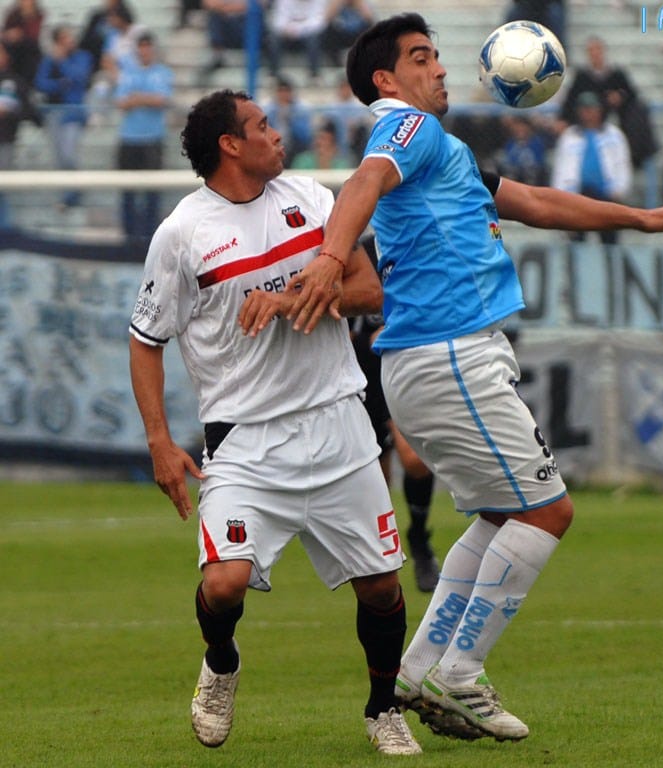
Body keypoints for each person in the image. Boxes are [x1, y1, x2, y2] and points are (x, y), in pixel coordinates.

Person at [274, 12, 663, 743]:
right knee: (548, 513)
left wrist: (641, 217)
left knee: (505, 516)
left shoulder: (439, 153)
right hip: (449, 353)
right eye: (421, 57)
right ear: (386, 81)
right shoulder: (405, 129)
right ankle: (460, 674)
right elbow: (366, 180)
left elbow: (534, 202)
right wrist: (329, 257)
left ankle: (417, 670)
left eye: (437, 55)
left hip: (431, 358)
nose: (441, 68)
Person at [127, 89, 421, 756]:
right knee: (224, 582)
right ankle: (221, 662)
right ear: (231, 145)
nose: (277, 133)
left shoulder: (312, 199)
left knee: (381, 588)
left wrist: (291, 299)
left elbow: (370, 289)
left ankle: (383, 708)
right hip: (245, 436)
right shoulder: (181, 234)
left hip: (337, 420)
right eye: (262, 126)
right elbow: (145, 340)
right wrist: (160, 443)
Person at [351, 234, 441, 594]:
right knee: (377, 481)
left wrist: (400, 332)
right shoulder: (361, 250)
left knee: (416, 461)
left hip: (406, 369)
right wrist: (365, 341)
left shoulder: (419, 250)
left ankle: (419, 539)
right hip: (364, 377)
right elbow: (341, 321)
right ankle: (383, 563)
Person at [557, 35, 658, 170]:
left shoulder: (617, 74)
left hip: (617, 118)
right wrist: (563, 119)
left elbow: (631, 94)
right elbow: (570, 100)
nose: (595, 54)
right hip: (587, 122)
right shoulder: (582, 77)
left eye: (597, 50)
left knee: (637, 114)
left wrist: (620, 96)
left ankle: (636, 156)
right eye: (591, 51)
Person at [550, 90, 632, 245]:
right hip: (576, 197)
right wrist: (560, 198)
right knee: (576, 240)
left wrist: (619, 191)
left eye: (591, 109)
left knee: (609, 240)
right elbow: (561, 170)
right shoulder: (570, 136)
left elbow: (622, 164)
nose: (588, 113)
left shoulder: (614, 135)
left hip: (606, 195)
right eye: (584, 109)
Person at [114, 31, 173, 244]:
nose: (145, 51)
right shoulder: (128, 73)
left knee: (152, 190)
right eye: (141, 47)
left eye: (148, 46)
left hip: (152, 138)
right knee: (127, 190)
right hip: (129, 138)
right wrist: (146, 99)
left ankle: (150, 236)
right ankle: (129, 236)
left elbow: (161, 100)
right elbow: (121, 103)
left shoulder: (162, 73)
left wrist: (137, 98)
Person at [33, 25, 92, 208]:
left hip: (72, 113)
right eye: (65, 38)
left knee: (68, 153)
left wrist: (63, 62)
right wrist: (61, 84)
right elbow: (40, 83)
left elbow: (80, 77)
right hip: (53, 112)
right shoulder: (49, 59)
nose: (70, 41)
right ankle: (66, 194)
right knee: (58, 157)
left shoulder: (82, 56)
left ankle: (74, 191)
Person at [0, 40, 41, 226]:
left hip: (5, 140)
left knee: (2, 185)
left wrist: (10, 112)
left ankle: (4, 229)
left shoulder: (15, 81)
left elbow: (31, 112)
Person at [266, 0, 327, 84]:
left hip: (308, 34)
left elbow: (318, 22)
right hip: (287, 35)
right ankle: (273, 74)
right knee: (273, 39)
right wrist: (288, 29)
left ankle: (314, 75)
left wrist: (298, 29)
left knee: (314, 40)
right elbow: (278, 21)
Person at [263, 75, 313, 166]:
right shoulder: (269, 109)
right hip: (274, 144)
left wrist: (290, 119)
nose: (283, 95)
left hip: (294, 146)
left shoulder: (301, 109)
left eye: (286, 91)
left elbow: (305, 136)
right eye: (281, 91)